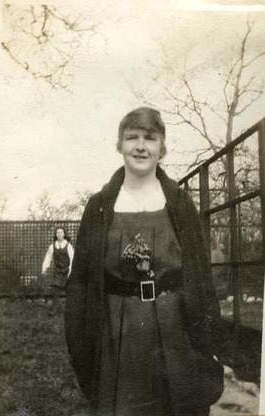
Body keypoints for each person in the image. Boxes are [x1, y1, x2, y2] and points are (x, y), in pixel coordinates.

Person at [65, 107, 224, 416]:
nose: (140, 146)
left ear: (161, 147)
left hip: (174, 326)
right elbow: (81, 282)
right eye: (132, 137)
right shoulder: (99, 206)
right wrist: (81, 343)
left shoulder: (179, 203)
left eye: (150, 138)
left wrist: (209, 342)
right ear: (119, 145)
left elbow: (201, 276)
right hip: (116, 330)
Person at [42, 226, 74, 315]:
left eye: (61, 232)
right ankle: (54, 310)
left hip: (67, 271)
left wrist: (71, 271)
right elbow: (48, 258)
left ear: (64, 234)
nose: (59, 234)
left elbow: (72, 259)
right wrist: (44, 268)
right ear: (56, 235)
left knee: (70, 291)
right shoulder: (52, 246)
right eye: (58, 233)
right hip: (58, 272)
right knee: (56, 291)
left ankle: (70, 311)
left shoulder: (68, 245)